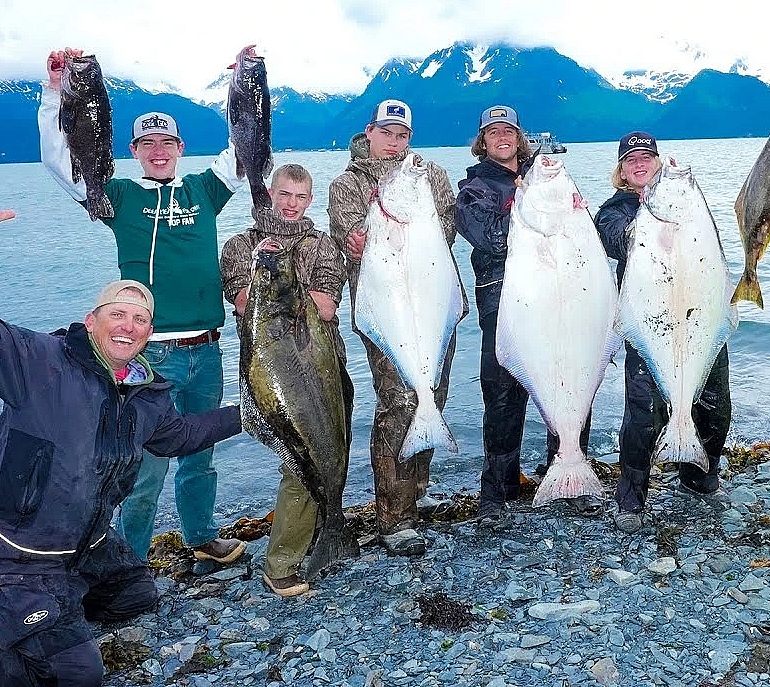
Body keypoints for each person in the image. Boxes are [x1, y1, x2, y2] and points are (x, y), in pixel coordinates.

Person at [0, 194, 242, 687]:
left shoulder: (145, 393)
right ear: (92, 320)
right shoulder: (36, 362)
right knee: (73, 674)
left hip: (86, 547)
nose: (129, 325)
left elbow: (180, 437)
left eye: (140, 320)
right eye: (118, 314)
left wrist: (256, 414)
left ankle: (45, 612)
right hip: (16, 554)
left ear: (148, 334)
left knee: (137, 597)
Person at [39, 47, 246, 565]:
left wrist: (245, 80)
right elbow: (60, 163)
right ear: (133, 149)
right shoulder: (119, 198)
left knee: (201, 455)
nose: (158, 150)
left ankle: (202, 539)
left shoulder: (205, 189)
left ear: (180, 146)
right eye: (147, 143)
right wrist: (54, 93)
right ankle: (130, 561)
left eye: (167, 142)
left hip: (207, 349)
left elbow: (246, 148)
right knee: (146, 465)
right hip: (148, 356)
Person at [455, 105, 603, 528]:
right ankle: (496, 495)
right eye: (493, 132)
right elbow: (488, 237)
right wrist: (522, 207)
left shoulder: (542, 176)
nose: (502, 137)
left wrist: (573, 209)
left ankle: (570, 472)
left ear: (519, 137)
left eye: (509, 131)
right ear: (483, 141)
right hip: (502, 303)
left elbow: (579, 238)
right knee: (502, 397)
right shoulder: (474, 189)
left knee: (572, 374)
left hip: (561, 296)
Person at [327, 100, 458, 556]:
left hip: (432, 304)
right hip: (388, 311)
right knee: (400, 402)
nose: (395, 141)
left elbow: (448, 226)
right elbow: (347, 234)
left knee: (432, 399)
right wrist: (356, 239)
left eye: (402, 134)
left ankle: (416, 493)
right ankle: (393, 518)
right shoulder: (346, 184)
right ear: (369, 131)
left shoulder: (431, 174)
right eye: (387, 132)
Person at [593, 132, 733, 533]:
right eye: (630, 159)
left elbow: (712, 251)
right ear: (621, 171)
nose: (640, 163)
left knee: (715, 405)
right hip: (651, 323)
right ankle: (631, 498)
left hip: (698, 320)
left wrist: (677, 196)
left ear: (658, 162)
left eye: (647, 157)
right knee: (642, 413)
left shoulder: (690, 204)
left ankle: (700, 478)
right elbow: (617, 241)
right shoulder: (612, 211)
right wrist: (652, 215)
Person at [219, 164, 346, 597]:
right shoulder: (241, 245)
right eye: (284, 194)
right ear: (270, 193)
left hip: (324, 373)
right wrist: (263, 270)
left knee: (331, 456)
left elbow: (327, 308)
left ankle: (324, 537)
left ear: (311, 200)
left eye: (301, 197)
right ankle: (283, 564)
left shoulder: (324, 245)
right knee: (298, 465)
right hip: (270, 375)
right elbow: (240, 301)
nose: (291, 204)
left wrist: (283, 277)